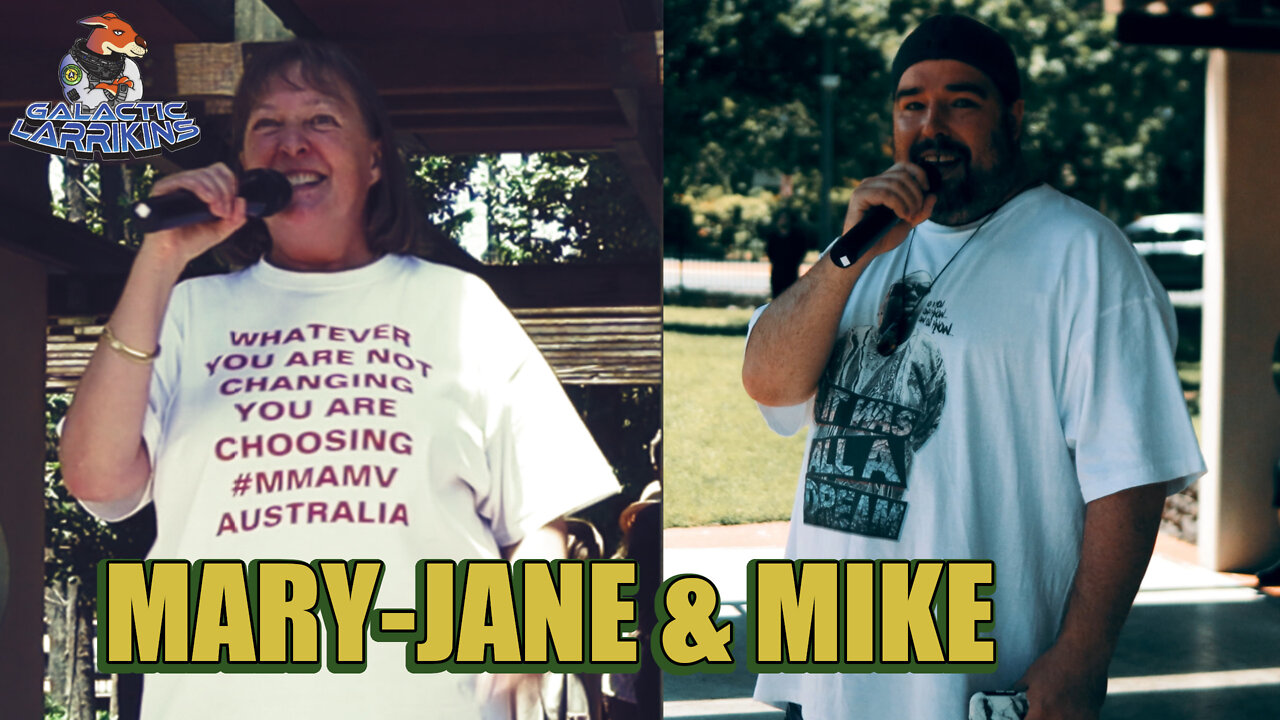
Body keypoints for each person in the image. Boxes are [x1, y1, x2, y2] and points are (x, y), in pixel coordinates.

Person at [59, 41, 619, 720]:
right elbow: (96, 479)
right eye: (267, 125)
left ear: (375, 158)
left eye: (321, 120)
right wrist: (159, 259)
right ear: (241, 165)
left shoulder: (458, 304)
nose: (291, 144)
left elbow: (540, 520)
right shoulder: (185, 312)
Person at [741, 14, 1205, 720]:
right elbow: (769, 382)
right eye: (912, 105)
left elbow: (1130, 478)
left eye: (962, 102)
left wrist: (1082, 655)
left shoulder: (1083, 256)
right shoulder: (863, 250)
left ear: (1012, 118)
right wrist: (845, 253)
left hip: (975, 680)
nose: (933, 126)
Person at [763, 209, 811, 297]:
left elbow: (800, 251)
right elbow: (770, 252)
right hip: (777, 273)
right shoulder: (773, 237)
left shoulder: (796, 237)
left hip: (791, 272)